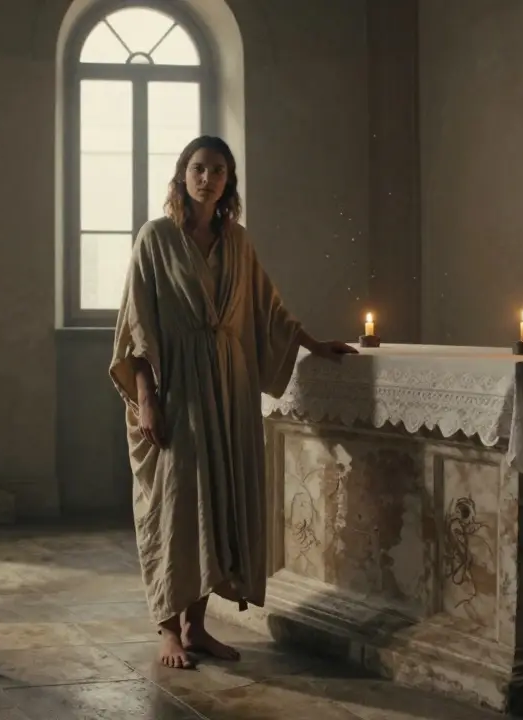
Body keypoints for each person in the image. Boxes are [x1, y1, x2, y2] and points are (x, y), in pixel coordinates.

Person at [108, 135, 357, 669]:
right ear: (182, 175)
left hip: (230, 386)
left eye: (218, 170)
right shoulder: (155, 239)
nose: (208, 178)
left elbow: (269, 310)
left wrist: (314, 344)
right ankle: (168, 628)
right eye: (199, 168)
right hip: (179, 388)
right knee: (177, 504)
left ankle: (198, 628)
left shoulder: (238, 242)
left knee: (217, 505)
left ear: (229, 182)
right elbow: (136, 326)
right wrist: (147, 399)